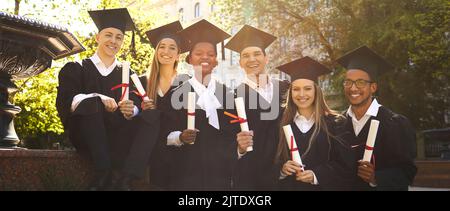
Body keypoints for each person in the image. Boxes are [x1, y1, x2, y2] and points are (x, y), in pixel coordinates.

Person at [56, 8, 155, 190]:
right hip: (87, 137)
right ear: (97, 38)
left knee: (151, 115)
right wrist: (98, 97)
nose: (113, 41)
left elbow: (138, 104)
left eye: (119, 37)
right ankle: (104, 173)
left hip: (118, 137)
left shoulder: (129, 75)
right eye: (108, 35)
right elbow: (67, 102)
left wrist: (132, 110)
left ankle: (127, 177)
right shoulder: (76, 68)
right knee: (90, 102)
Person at [160, 19, 240, 190]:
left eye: (211, 54)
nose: (205, 57)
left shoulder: (226, 95)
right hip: (185, 174)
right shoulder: (176, 94)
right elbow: (164, 134)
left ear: (216, 60)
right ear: (189, 58)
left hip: (220, 176)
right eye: (199, 53)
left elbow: (234, 135)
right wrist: (180, 137)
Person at [336, 45, 417, 191]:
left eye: (360, 82)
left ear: (373, 87)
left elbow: (407, 172)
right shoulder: (337, 123)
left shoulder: (395, 123)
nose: (353, 88)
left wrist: (376, 177)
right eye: (348, 82)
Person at [224, 25, 289, 190]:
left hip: (286, 173)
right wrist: (239, 147)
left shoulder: (286, 89)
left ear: (266, 58)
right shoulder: (231, 98)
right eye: (246, 56)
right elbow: (225, 141)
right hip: (251, 178)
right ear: (240, 63)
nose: (252, 59)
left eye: (257, 54)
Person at [275, 57, 353, 191]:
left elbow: (346, 165)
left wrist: (316, 175)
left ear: (316, 90)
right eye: (296, 89)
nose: (301, 94)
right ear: (290, 92)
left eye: (307, 88)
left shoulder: (336, 123)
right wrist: (282, 169)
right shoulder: (280, 123)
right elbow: (267, 160)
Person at [141, 21, 189, 190]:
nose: (166, 51)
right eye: (162, 46)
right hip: (151, 156)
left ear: (178, 55)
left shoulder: (187, 82)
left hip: (180, 156)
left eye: (172, 47)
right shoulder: (142, 83)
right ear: (156, 52)